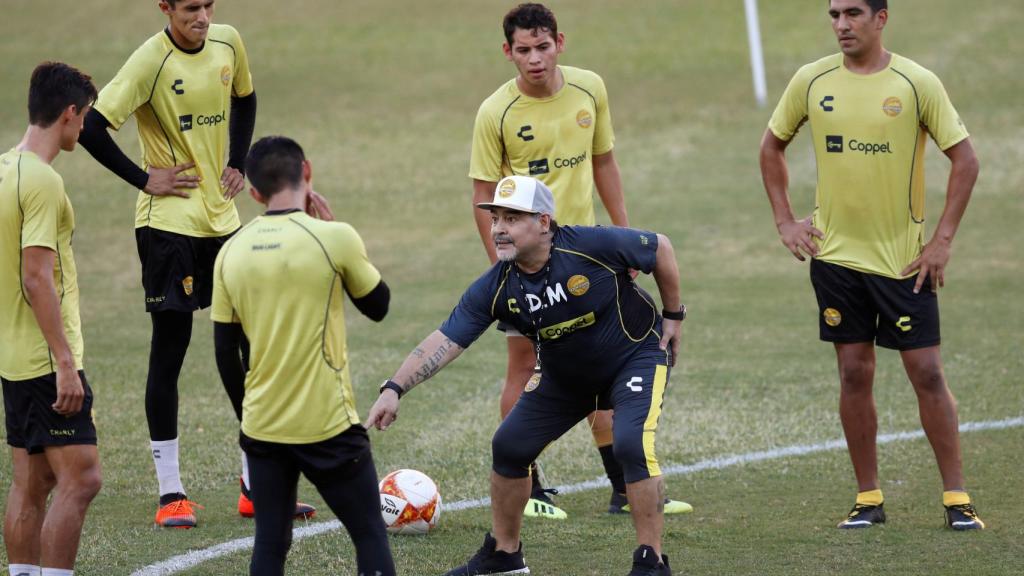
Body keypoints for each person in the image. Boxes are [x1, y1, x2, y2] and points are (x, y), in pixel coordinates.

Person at [368, 175, 682, 575]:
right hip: (565, 379)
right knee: (510, 446)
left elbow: (660, 249)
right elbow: (446, 339)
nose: (499, 228)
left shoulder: (590, 245)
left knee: (630, 444)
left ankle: (651, 561)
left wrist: (674, 315)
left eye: (513, 218)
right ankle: (504, 556)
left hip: (635, 356)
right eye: (496, 217)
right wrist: (394, 388)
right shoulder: (497, 286)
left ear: (544, 223)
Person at [77, 0, 313, 526]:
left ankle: (256, 484)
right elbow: (93, 127)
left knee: (246, 349)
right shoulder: (149, 62)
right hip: (168, 227)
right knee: (171, 353)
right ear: (165, 8)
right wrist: (145, 178)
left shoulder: (229, 41)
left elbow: (246, 98)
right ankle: (170, 494)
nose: (202, 16)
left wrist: (236, 160)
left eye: (208, 5)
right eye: (189, 8)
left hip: (223, 222)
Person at [759, 0, 983, 530]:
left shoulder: (915, 82)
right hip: (836, 261)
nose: (841, 24)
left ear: (881, 19)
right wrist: (785, 221)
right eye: (834, 14)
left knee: (926, 373)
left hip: (905, 264)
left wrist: (942, 240)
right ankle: (868, 498)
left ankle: (956, 498)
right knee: (853, 372)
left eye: (853, 13)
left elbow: (966, 160)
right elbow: (771, 148)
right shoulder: (811, 81)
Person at [469, 1, 690, 519]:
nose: (535, 59)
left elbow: (604, 161)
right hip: (527, 263)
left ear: (559, 43)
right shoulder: (495, 112)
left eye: (543, 47)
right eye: (523, 51)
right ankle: (530, 488)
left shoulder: (590, 88)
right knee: (525, 366)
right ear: (508, 52)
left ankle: (621, 487)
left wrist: (622, 236)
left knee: (607, 360)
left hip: (588, 255)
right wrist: (503, 267)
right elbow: (482, 194)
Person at [212, 136, 395, 576]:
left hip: (263, 427)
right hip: (327, 423)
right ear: (307, 172)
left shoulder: (230, 252)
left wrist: (249, 415)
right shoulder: (334, 238)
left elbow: (224, 352)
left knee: (270, 545)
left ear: (254, 193)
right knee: (369, 532)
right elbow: (379, 306)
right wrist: (339, 235)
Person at [1, 61, 103, 576]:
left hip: (13, 356)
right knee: (82, 479)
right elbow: (36, 277)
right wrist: (65, 361)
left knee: (32, 481)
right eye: (83, 117)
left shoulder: (2, 168)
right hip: (45, 358)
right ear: (68, 113)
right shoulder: (42, 182)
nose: (83, 128)